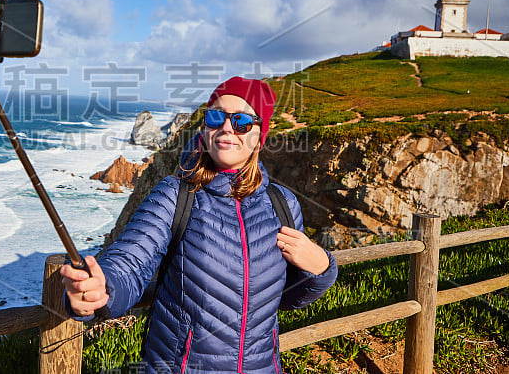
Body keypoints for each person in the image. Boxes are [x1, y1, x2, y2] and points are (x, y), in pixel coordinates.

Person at [61, 76, 338, 373]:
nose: (227, 128)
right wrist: (101, 290)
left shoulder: (282, 204)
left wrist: (322, 268)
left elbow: (284, 299)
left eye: (242, 121)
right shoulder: (176, 194)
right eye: (215, 117)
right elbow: (131, 261)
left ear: (260, 136)